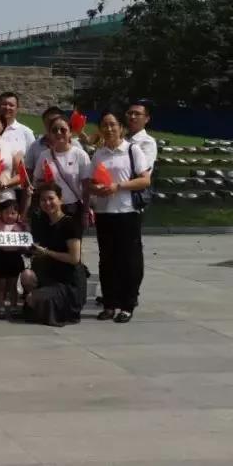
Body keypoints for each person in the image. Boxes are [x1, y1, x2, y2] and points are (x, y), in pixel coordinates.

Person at [88, 110, 150, 323]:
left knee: (129, 260)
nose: (109, 129)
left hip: (127, 212)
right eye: (105, 125)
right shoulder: (99, 154)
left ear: (121, 128)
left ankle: (127, 304)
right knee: (107, 260)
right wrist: (97, 189)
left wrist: (118, 186)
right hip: (105, 212)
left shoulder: (132, 150)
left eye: (113, 124)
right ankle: (109, 303)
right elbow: (90, 182)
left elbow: (145, 180)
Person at [22, 183, 85, 326]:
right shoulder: (43, 222)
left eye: (51, 198)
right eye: (43, 200)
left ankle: (43, 305)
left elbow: (74, 259)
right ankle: (38, 303)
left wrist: (46, 252)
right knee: (26, 276)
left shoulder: (70, 224)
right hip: (48, 274)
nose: (47, 203)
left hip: (67, 282)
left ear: (60, 199)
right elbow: (24, 220)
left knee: (32, 299)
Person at [34, 116, 92, 226]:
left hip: (72, 208)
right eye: (54, 130)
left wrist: (85, 212)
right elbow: (37, 182)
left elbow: (86, 188)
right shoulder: (44, 155)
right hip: (49, 208)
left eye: (63, 130)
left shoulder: (80, 155)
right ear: (49, 134)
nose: (59, 133)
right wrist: (46, 183)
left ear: (70, 133)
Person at [0, 198, 27, 319]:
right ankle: (0, 307)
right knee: (1, 285)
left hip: (15, 258)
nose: (9, 216)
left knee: (13, 285)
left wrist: (28, 196)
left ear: (18, 214)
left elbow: (26, 209)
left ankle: (14, 307)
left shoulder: (20, 225)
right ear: (1, 213)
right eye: (6, 212)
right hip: (1, 257)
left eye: (13, 213)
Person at [0, 91, 36, 156]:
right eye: (4, 104)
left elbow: (33, 158)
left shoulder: (26, 133)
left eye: (11, 105)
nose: (7, 107)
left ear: (17, 109)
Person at [125, 100, 158, 172]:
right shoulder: (120, 138)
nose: (132, 117)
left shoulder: (148, 142)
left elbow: (143, 170)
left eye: (137, 114)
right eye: (130, 113)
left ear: (146, 119)